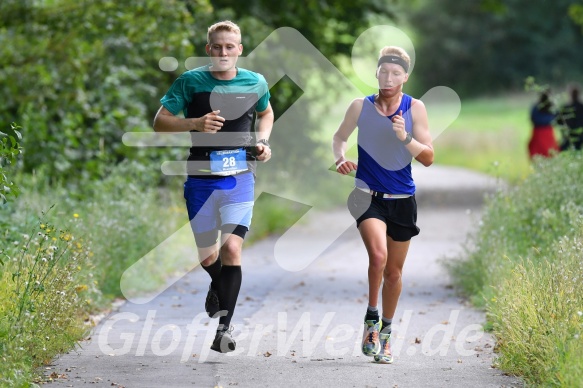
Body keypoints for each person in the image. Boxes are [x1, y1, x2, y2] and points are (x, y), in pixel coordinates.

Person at [153, 20, 274, 353]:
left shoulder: (256, 81)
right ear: (209, 50)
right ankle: (218, 285)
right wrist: (194, 123)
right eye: (217, 47)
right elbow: (159, 122)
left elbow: (267, 113)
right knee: (208, 256)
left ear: (240, 50)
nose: (223, 52)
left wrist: (262, 143)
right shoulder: (190, 82)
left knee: (232, 249)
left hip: (240, 178)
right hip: (201, 178)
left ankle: (224, 329)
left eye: (230, 47)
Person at [332, 46, 433, 364]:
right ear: (375, 73)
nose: (388, 77)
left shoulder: (414, 108)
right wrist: (340, 158)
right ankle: (371, 320)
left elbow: (428, 157)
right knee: (378, 257)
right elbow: (340, 137)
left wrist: (405, 137)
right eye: (383, 71)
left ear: (405, 76)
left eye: (396, 73)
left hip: (402, 200)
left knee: (393, 273)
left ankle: (386, 334)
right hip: (367, 196)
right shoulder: (359, 106)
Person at [528, 90, 559, 158]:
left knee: (538, 153)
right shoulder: (552, 107)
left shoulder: (536, 107)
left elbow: (532, 119)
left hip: (538, 132)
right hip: (548, 131)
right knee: (549, 152)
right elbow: (557, 118)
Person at [558, 85, 583, 151]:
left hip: (570, 136)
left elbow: (558, 121)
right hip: (576, 136)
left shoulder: (565, 107)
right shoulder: (565, 107)